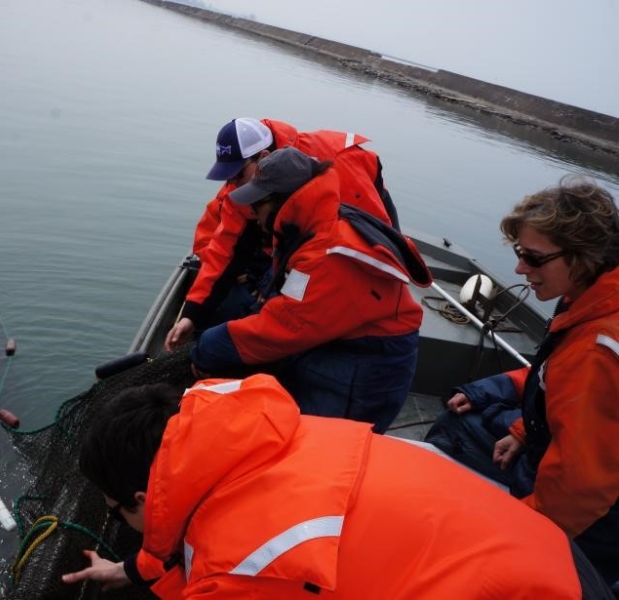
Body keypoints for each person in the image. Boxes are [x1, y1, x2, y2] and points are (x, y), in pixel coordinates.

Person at [61, 374, 610, 598]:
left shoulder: (236, 571)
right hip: (550, 558)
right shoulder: (280, 438)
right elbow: (193, 521)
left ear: (140, 497)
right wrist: (130, 569)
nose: (123, 526)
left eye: (116, 516)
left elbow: (234, 557)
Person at [425, 176, 619, 588]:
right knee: (461, 421)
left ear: (582, 257)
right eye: (518, 253)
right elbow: (556, 380)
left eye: (532, 257)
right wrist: (521, 429)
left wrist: (515, 539)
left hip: (591, 524)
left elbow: (579, 489)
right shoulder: (590, 297)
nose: (518, 268)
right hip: (552, 450)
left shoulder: (598, 350)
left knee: (453, 435)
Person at [188, 147, 431, 432]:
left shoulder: (327, 255)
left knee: (315, 442)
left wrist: (211, 346)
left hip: (369, 363)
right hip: (343, 338)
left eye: (257, 205)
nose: (251, 213)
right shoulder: (316, 223)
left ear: (283, 202)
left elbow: (285, 326)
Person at [166, 117, 400, 351]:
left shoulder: (339, 167)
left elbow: (368, 242)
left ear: (264, 157)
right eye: (228, 176)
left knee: (351, 286)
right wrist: (192, 313)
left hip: (359, 211)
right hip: (297, 235)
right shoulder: (240, 190)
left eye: (237, 174)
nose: (232, 184)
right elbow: (223, 252)